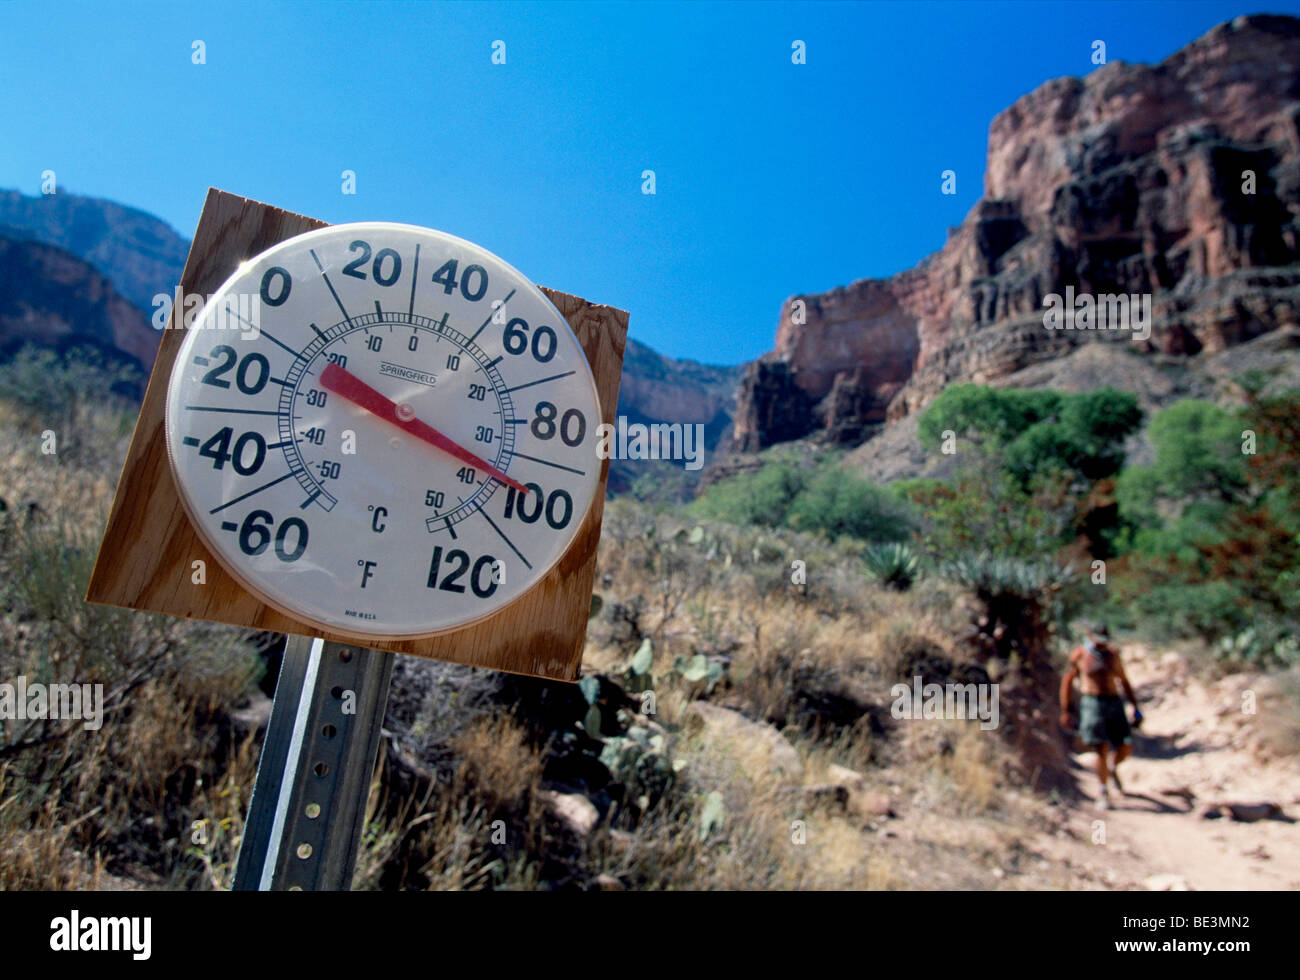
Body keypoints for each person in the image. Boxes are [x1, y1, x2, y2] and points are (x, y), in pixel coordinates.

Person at [1059, 624, 1142, 810]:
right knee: (1100, 747)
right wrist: (1066, 709)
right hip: (1092, 703)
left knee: (1125, 745)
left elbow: (1124, 680)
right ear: (1090, 636)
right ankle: (1103, 790)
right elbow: (1067, 682)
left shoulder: (1112, 654)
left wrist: (1135, 706)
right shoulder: (1080, 655)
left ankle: (1112, 768)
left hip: (1113, 702)